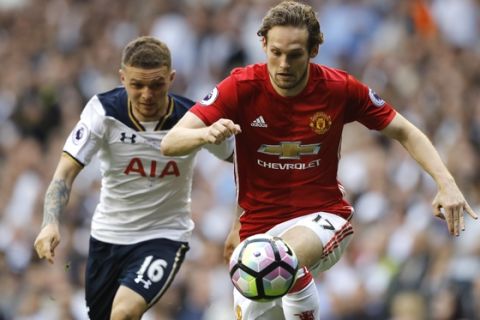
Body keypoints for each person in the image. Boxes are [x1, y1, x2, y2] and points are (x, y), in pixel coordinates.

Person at [160, 1, 478, 319]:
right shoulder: (241, 88)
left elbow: (405, 131)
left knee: (281, 257)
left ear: (314, 49)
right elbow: (171, 142)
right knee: (266, 271)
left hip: (322, 219)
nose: (284, 64)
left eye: (295, 54)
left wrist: (446, 183)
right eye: (276, 52)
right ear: (263, 45)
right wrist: (204, 135)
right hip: (256, 236)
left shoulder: (338, 89)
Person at [33, 36, 234, 320]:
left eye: (156, 84)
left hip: (163, 236)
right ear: (122, 78)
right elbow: (64, 173)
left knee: (124, 313)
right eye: (136, 85)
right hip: (107, 237)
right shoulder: (103, 112)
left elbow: (241, 161)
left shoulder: (193, 118)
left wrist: (241, 220)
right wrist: (49, 222)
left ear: (171, 78)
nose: (146, 95)